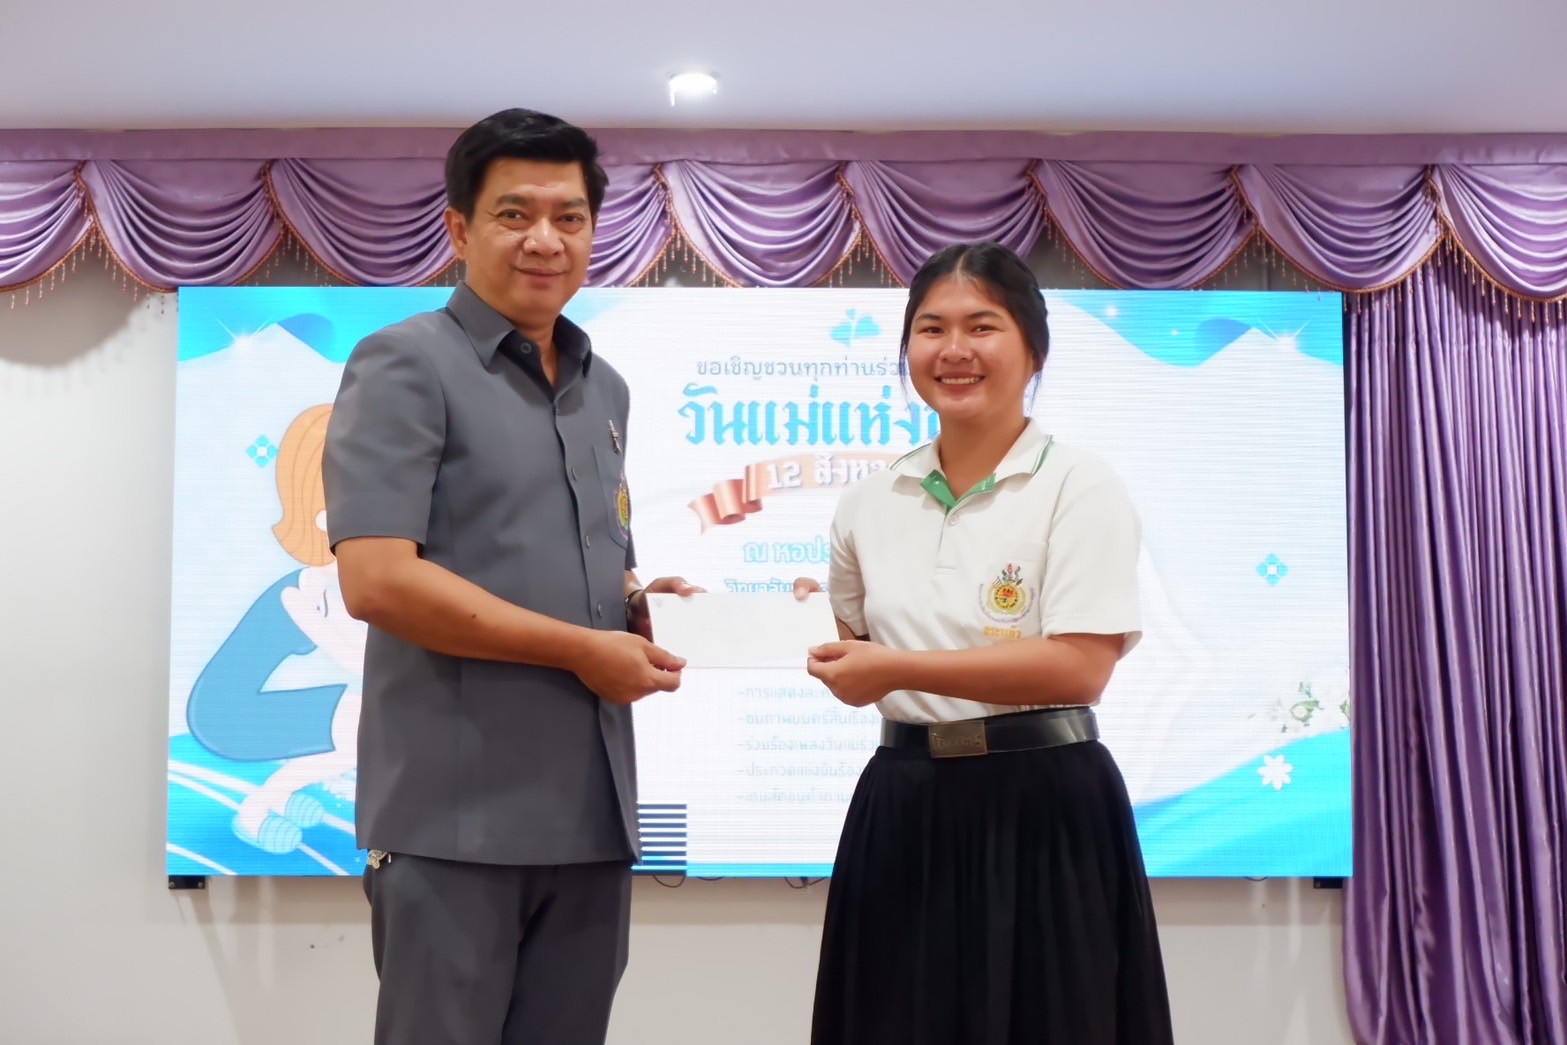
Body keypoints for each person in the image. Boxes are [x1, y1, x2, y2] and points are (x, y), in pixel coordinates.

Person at [323, 108, 698, 1045]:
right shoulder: (404, 362)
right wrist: (580, 648)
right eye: (514, 214)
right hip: (455, 820)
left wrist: (637, 606)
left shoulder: (604, 386)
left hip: (591, 815)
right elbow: (377, 581)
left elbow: (573, 551)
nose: (545, 239)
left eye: (570, 217)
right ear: (459, 229)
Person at [794, 241, 1174, 1044]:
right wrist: (781, 625)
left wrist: (892, 666)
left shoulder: (1077, 483)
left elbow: (1080, 666)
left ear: (1033, 349)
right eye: (930, 328)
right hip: (902, 800)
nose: (953, 350)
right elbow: (855, 643)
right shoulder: (869, 499)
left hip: (1043, 805)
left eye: (982, 326)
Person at [187, 403, 365, 857]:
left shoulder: (333, 584)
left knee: (367, 719)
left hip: (250, 706)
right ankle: (256, 812)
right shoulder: (301, 592)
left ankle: (282, 795)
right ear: (323, 514)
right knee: (365, 721)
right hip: (224, 716)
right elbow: (360, 661)